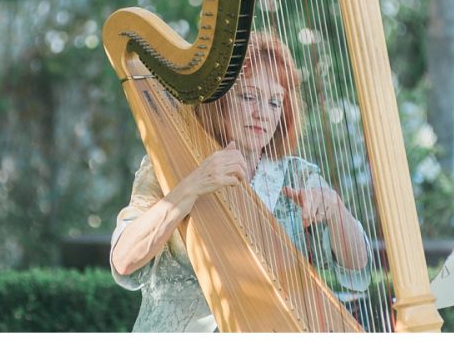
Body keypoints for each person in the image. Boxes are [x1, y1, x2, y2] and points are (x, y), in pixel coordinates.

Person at [109, 31, 372, 332]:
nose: (262, 114)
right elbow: (124, 261)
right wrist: (193, 186)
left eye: (275, 103)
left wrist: (336, 210)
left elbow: (357, 268)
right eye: (248, 96)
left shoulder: (297, 176)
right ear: (218, 100)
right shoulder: (167, 168)